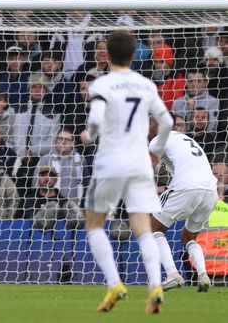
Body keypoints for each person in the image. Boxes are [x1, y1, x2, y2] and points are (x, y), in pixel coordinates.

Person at [80, 31, 173, 314]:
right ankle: (155, 285)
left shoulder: (103, 84)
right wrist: (156, 151)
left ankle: (114, 284)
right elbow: (166, 121)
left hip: (110, 162)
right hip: (139, 164)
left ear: (106, 54)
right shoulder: (145, 84)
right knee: (143, 228)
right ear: (134, 55)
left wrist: (89, 134)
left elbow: (96, 118)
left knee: (95, 225)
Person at [148, 121, 216, 292]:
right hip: (210, 190)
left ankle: (172, 274)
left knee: (152, 228)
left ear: (155, 125)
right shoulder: (183, 138)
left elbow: (149, 165)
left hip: (187, 186)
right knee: (188, 238)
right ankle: (203, 275)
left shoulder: (158, 139)